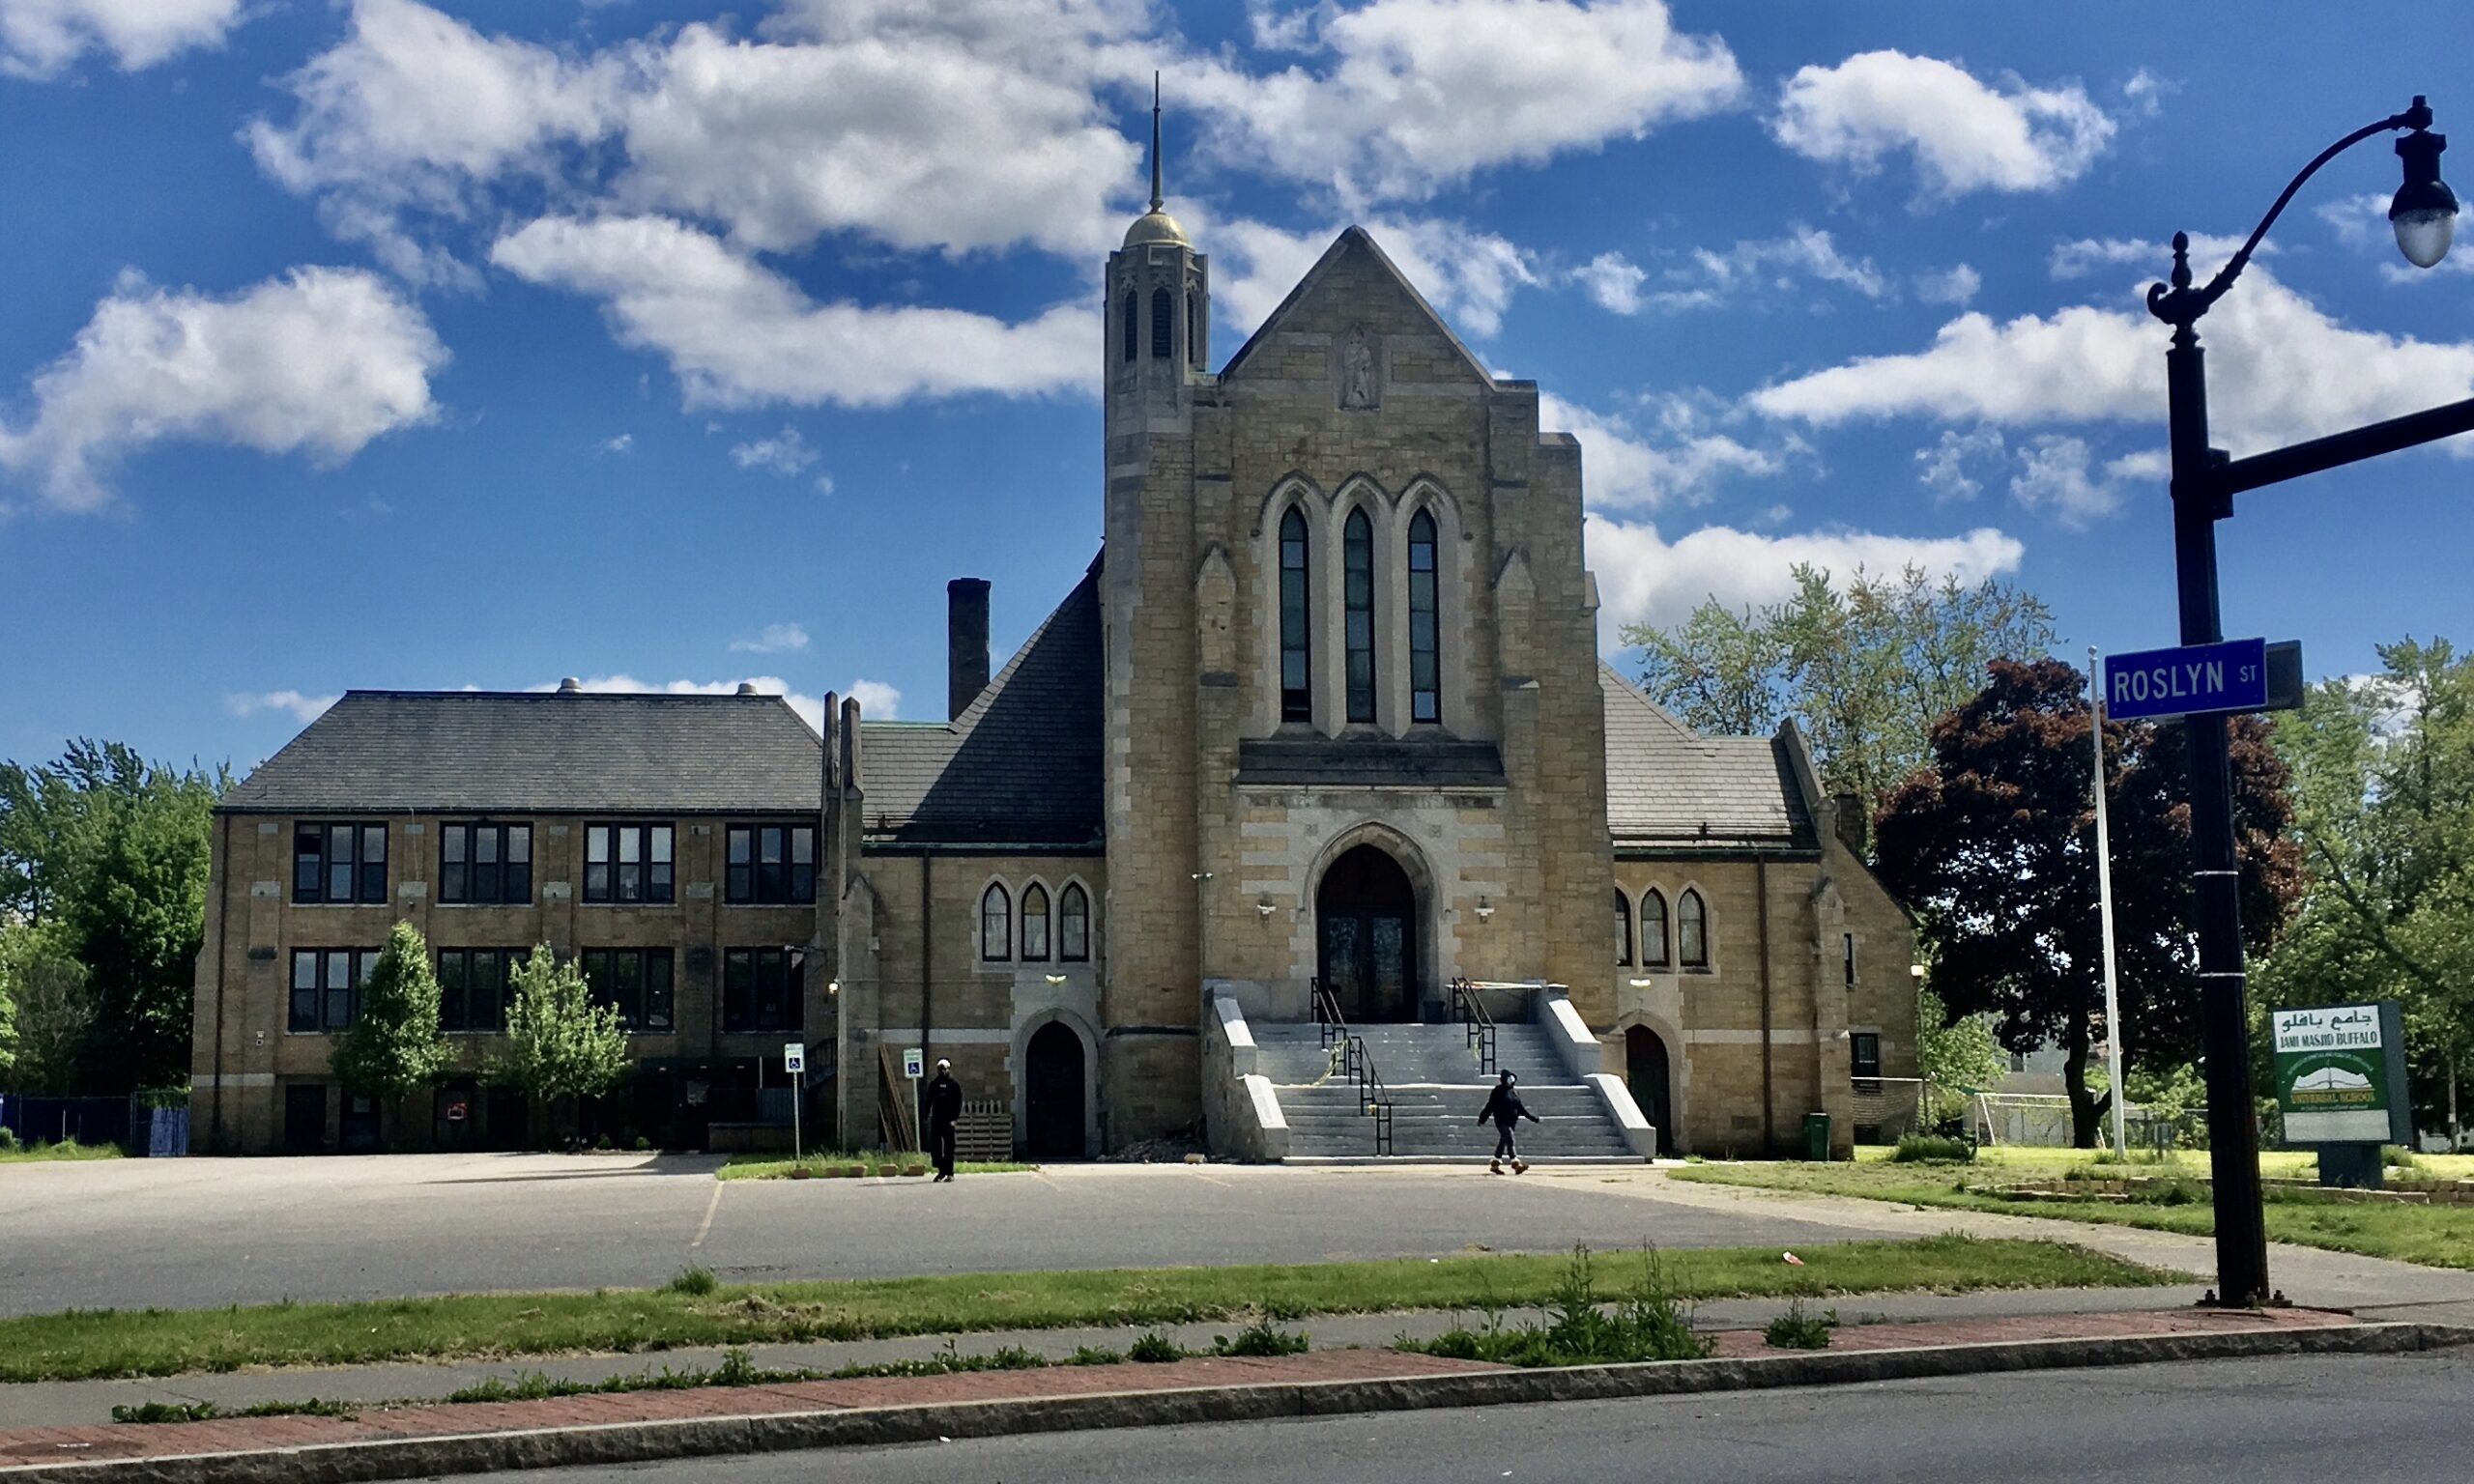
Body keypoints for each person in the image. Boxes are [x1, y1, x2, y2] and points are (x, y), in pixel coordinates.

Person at [1477, 1070, 1539, 1175]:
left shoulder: (1514, 1092)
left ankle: (1495, 1165)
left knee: (1503, 1141)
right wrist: (1482, 1119)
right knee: (1510, 1138)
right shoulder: (1497, 1091)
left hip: (1512, 1121)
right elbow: (1490, 1106)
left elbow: (1520, 1108)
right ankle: (1516, 1164)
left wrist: (1533, 1118)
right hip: (1501, 1120)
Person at [925, 1059, 964, 1182]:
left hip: (949, 1121)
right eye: (940, 1069)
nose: (942, 1071)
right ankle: (941, 1170)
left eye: (945, 1069)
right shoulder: (934, 1084)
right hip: (936, 1120)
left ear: (948, 1069)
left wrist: (954, 1119)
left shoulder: (954, 1085)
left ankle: (949, 1173)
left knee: (949, 1148)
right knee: (935, 1147)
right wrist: (925, 1115)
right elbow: (928, 1101)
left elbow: (958, 1103)